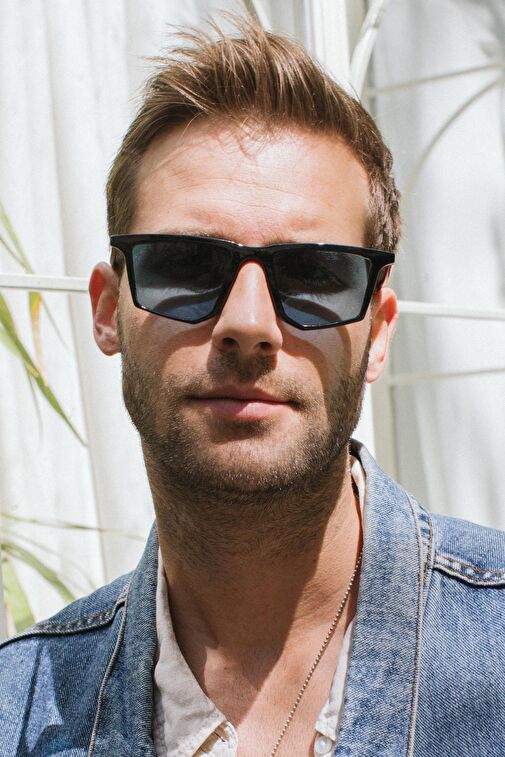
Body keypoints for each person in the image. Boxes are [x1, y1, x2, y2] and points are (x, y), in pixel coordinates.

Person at [1, 17, 504, 757]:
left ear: (378, 331)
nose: (248, 323)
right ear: (108, 310)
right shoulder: (13, 710)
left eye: (314, 275)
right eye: (185, 264)